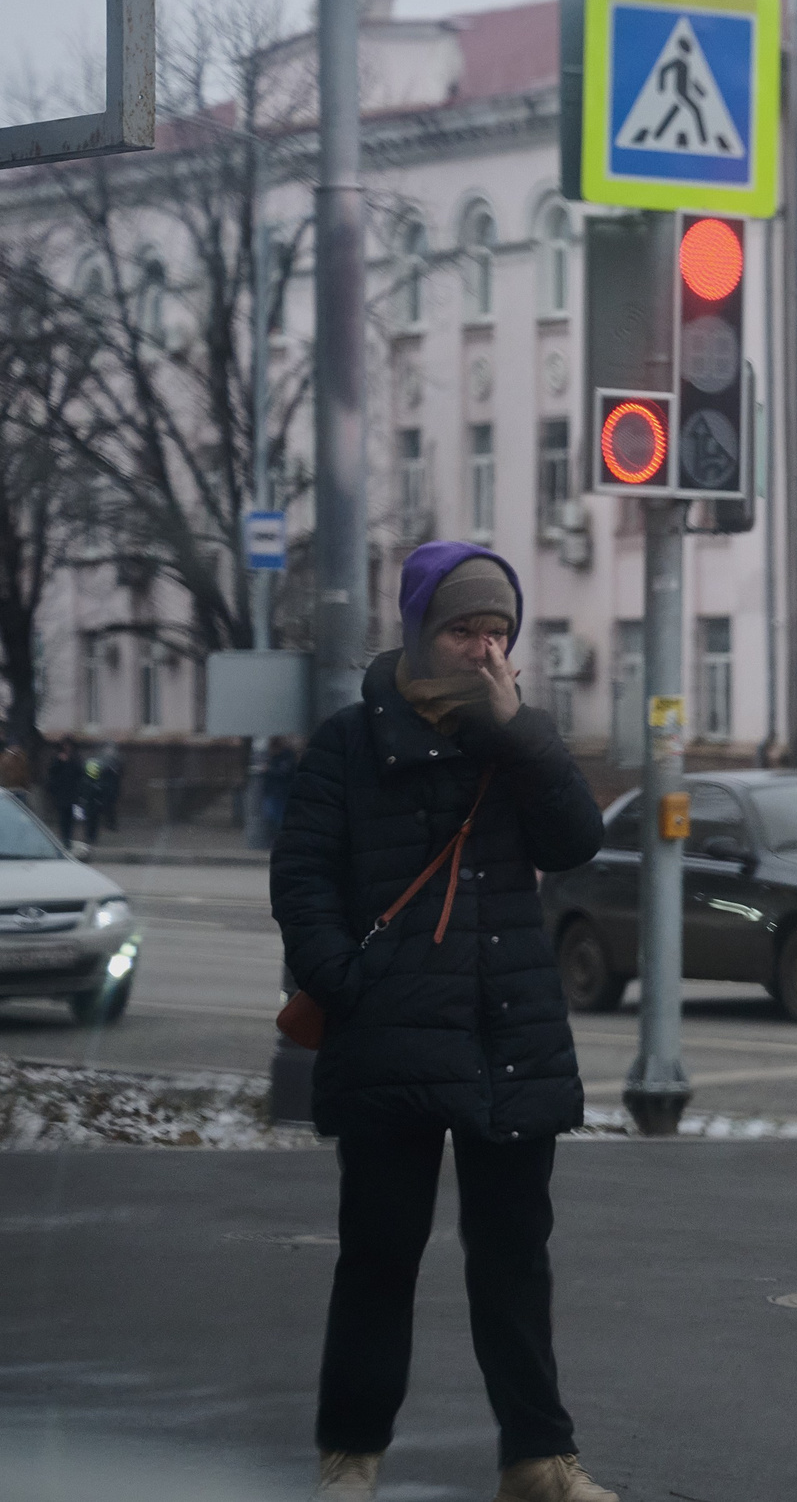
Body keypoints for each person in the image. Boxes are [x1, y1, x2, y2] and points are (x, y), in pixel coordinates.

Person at [271, 541, 612, 1502]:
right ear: (423, 631)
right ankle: (351, 1457)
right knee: (379, 1257)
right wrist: (348, 980)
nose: (483, 649)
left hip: (511, 1034)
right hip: (391, 1040)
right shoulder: (349, 741)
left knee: (514, 1264)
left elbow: (576, 841)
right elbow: (301, 879)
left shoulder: (514, 742)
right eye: (465, 629)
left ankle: (540, 1461)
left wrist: (523, 733)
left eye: (498, 632)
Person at [46, 737, 86, 844]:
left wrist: (69, 761)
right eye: (65, 745)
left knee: (70, 817)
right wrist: (59, 761)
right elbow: (52, 771)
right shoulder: (57, 757)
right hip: (61, 792)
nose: (67, 747)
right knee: (62, 817)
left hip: (72, 792)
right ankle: (64, 837)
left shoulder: (76, 758)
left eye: (68, 745)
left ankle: (69, 837)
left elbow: (80, 772)